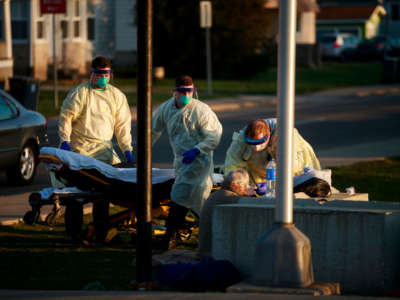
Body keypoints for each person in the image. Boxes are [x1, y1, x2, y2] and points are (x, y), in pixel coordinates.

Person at [152, 75, 222, 249]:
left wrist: (198, 149)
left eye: (189, 92)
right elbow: (153, 130)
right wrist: (144, 150)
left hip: (199, 160)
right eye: (182, 92)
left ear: (194, 91)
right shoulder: (166, 109)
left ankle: (170, 236)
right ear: (174, 92)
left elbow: (214, 136)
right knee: (196, 201)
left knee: (180, 194)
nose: (185, 95)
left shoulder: (201, 111)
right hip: (180, 160)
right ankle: (214, 236)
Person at [57, 56, 133, 165]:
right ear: (91, 74)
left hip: (104, 150)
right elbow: (66, 117)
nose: (102, 78)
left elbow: (122, 125)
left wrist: (127, 149)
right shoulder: (80, 93)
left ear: (110, 75)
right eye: (99, 75)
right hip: (81, 150)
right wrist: (65, 140)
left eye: (105, 75)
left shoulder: (117, 96)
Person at [224, 118, 321, 196]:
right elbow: (231, 162)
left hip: (297, 175)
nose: (256, 148)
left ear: (269, 135)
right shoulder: (242, 137)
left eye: (259, 143)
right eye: (252, 143)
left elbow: (290, 169)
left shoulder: (285, 136)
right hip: (262, 177)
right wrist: (237, 185)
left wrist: (272, 185)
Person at [198, 168, 252, 258]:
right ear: (234, 185)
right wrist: (251, 196)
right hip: (214, 253)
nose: (246, 188)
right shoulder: (232, 198)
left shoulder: (217, 194)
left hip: (206, 249)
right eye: (245, 185)